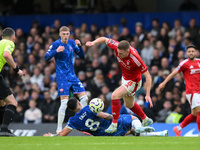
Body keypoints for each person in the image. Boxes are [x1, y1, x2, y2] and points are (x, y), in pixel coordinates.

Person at [86, 37, 153, 133]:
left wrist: (148, 94)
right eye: (118, 52)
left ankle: (114, 124)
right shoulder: (117, 46)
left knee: (114, 95)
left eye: (121, 53)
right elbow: (104, 39)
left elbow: (148, 76)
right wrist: (93, 42)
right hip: (125, 78)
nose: (118, 54)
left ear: (127, 51)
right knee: (129, 104)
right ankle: (146, 119)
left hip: (134, 81)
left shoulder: (135, 58)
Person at [44, 97, 168, 137]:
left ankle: (160, 134)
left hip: (104, 134)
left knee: (132, 132)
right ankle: (140, 127)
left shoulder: (73, 121)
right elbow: (105, 116)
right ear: (79, 103)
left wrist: (52, 136)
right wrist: (114, 117)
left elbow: (63, 133)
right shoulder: (88, 108)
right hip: (110, 126)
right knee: (132, 118)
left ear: (70, 110)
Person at [44, 26, 88, 133]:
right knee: (64, 103)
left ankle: (83, 122)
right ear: (60, 34)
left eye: (67, 34)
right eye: (63, 34)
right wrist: (56, 51)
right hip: (62, 77)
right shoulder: (55, 44)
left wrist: (80, 46)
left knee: (85, 98)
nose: (65, 36)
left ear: (69, 34)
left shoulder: (72, 43)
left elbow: (81, 56)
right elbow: (46, 57)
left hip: (72, 76)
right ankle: (59, 128)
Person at [158, 45, 200, 137]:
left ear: (196, 52)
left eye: (193, 51)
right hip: (192, 91)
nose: (191, 53)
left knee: (194, 114)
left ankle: (178, 128)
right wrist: (164, 83)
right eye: (189, 51)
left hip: (199, 91)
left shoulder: (199, 62)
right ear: (187, 53)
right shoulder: (184, 63)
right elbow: (173, 74)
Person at [0, 27, 24, 136]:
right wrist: (17, 69)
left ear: (2, 36)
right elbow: (6, 54)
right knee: (12, 103)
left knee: (2, 103)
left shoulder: (0, 42)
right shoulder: (9, 43)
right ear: (13, 37)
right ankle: (4, 130)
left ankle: (3, 128)